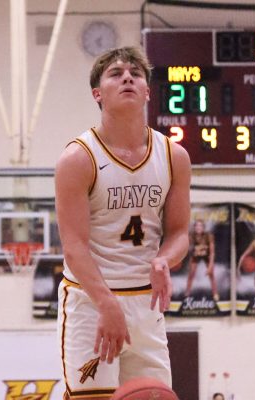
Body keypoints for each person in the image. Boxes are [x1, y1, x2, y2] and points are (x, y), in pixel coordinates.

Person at [54, 46, 191, 399]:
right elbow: (74, 247)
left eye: (136, 73)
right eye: (115, 73)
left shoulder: (174, 156)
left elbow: (179, 233)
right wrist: (107, 304)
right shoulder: (78, 158)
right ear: (97, 94)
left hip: (146, 303)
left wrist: (164, 259)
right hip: (91, 300)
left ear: (147, 91)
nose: (127, 77)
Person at [185, 219, 218, 301]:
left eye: (200, 226)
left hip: (207, 255)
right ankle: (187, 293)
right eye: (197, 226)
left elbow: (212, 252)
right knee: (191, 274)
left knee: (212, 275)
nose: (198, 228)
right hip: (196, 255)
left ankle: (215, 293)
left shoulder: (209, 236)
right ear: (194, 227)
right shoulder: (191, 235)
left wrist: (210, 266)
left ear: (203, 227)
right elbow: (188, 250)